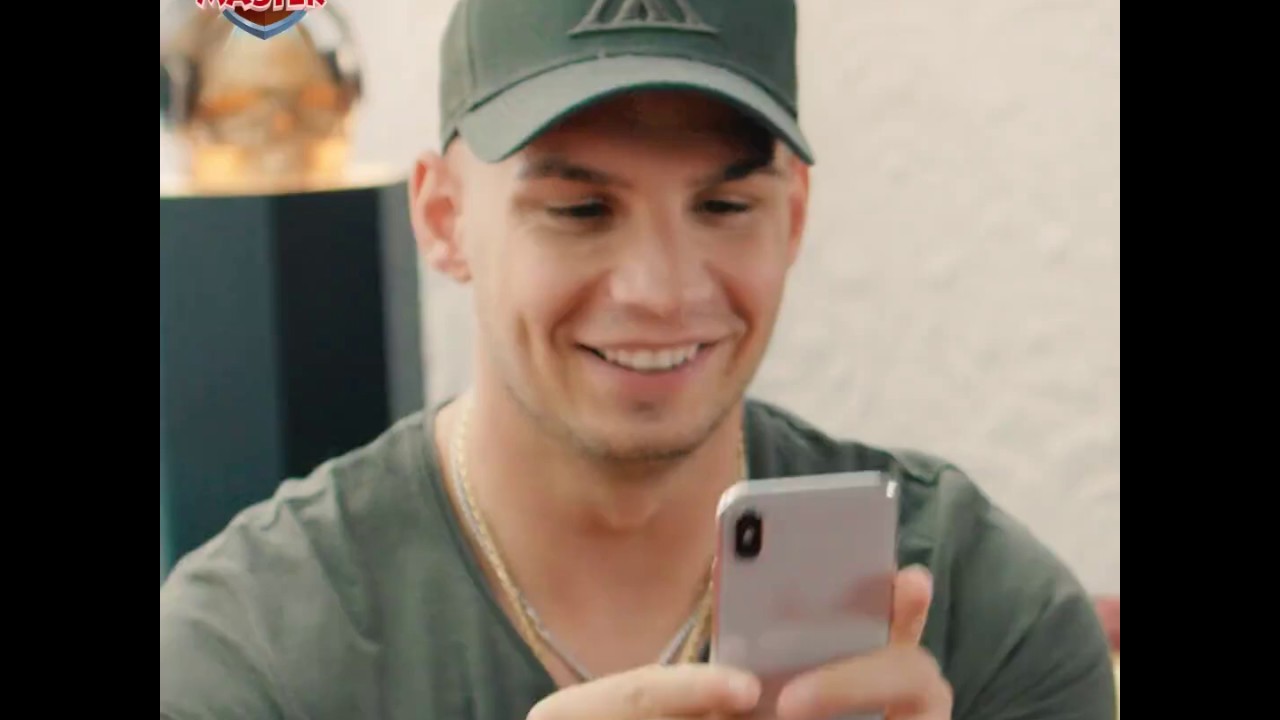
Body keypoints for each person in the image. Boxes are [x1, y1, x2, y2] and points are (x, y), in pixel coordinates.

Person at [159, 1, 1118, 718]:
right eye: (580, 211)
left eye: (724, 207)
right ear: (444, 218)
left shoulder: (981, 615)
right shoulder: (251, 650)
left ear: (794, 217)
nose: (661, 289)